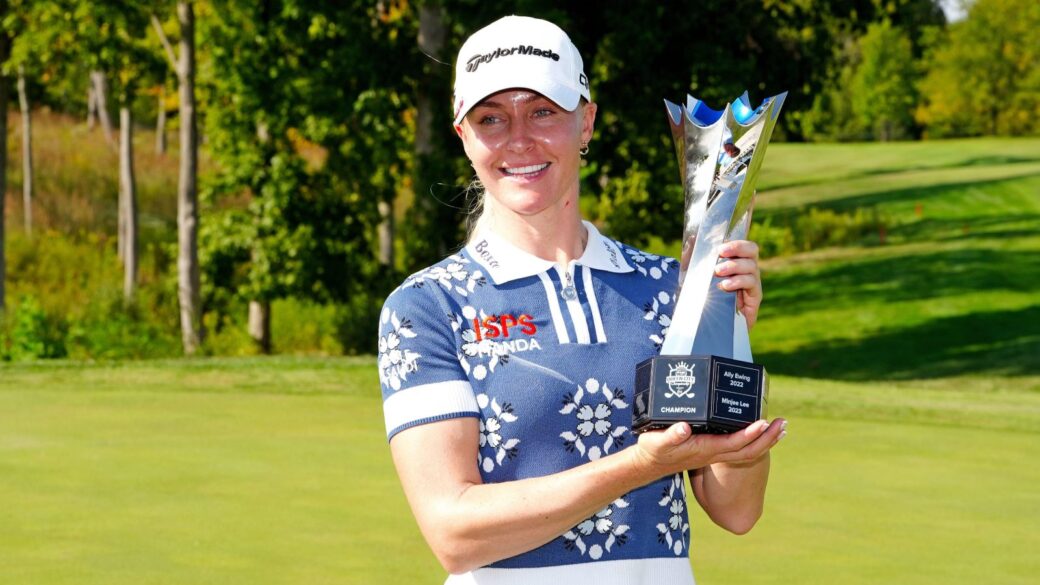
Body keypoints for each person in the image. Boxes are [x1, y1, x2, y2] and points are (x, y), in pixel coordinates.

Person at [377, 15, 786, 584]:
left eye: (543, 111)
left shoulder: (672, 287)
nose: (519, 138)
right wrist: (639, 464)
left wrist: (731, 342)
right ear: (464, 138)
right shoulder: (427, 307)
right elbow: (454, 532)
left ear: (586, 121)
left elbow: (736, 510)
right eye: (491, 118)